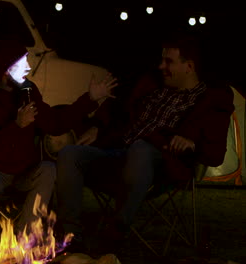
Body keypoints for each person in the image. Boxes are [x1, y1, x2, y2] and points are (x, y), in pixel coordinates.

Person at [56, 32, 235, 254]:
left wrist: (191, 143)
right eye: (161, 60)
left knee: (141, 148)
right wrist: (98, 126)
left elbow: (215, 153)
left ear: (189, 66)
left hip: (161, 167)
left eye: (168, 61)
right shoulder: (152, 86)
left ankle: (115, 231)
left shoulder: (210, 101)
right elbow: (117, 109)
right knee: (69, 153)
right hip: (118, 155)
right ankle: (70, 238)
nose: (161, 66)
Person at [0, 38, 118, 257]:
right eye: (23, 62)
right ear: (6, 70)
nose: (29, 67)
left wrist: (90, 99)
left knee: (48, 169)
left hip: (24, 173)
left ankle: (23, 241)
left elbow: (54, 123)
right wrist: (17, 126)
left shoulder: (27, 91)